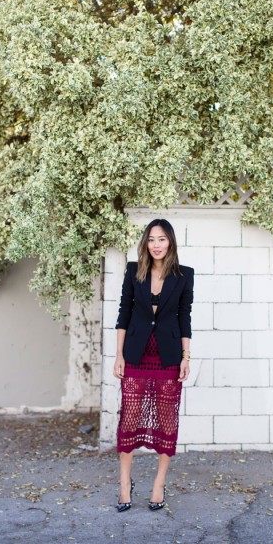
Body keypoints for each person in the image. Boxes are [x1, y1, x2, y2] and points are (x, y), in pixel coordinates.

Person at [113, 218, 194, 512]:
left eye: (161, 239)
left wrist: (186, 357)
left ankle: (159, 483)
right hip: (136, 355)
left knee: (166, 421)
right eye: (151, 239)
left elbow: (184, 316)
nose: (156, 245)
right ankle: (124, 483)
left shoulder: (185, 275)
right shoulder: (135, 271)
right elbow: (124, 313)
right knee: (129, 421)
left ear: (170, 241)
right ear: (145, 243)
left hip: (168, 357)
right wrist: (119, 355)